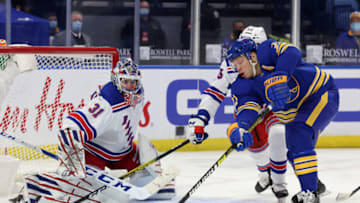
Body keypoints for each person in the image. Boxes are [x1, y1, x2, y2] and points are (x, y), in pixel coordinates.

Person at [17, 58, 176, 202]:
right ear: (116, 81)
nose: (130, 87)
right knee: (88, 193)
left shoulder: (139, 95)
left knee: (163, 191)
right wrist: (72, 161)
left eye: (133, 82)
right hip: (94, 153)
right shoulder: (106, 104)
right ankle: (38, 184)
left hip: (123, 153)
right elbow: (71, 125)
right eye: (125, 82)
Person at [226, 38, 339, 203]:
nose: (238, 67)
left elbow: (292, 52)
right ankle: (314, 187)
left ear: (252, 56)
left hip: (320, 93)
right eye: (234, 64)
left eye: (240, 61)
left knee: (300, 134)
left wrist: (281, 74)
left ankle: (309, 193)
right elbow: (247, 109)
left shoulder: (265, 51)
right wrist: (242, 128)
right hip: (297, 111)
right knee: (293, 148)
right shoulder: (243, 85)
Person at [188, 26, 289, 201]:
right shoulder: (231, 63)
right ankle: (265, 172)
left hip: (272, 107)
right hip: (248, 106)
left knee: (282, 135)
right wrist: (200, 119)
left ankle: (303, 178)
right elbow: (215, 91)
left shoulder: (274, 57)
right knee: (252, 140)